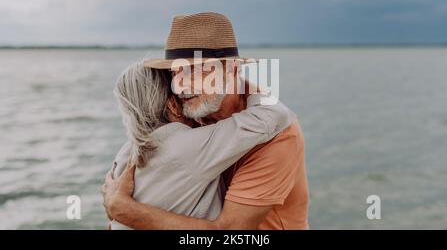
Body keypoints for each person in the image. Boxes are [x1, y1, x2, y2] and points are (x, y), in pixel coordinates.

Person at [103, 12, 309, 229]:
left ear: (232, 70)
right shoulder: (189, 116)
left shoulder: (279, 137)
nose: (180, 85)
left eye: (195, 70)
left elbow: (230, 231)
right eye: (175, 73)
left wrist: (125, 211)